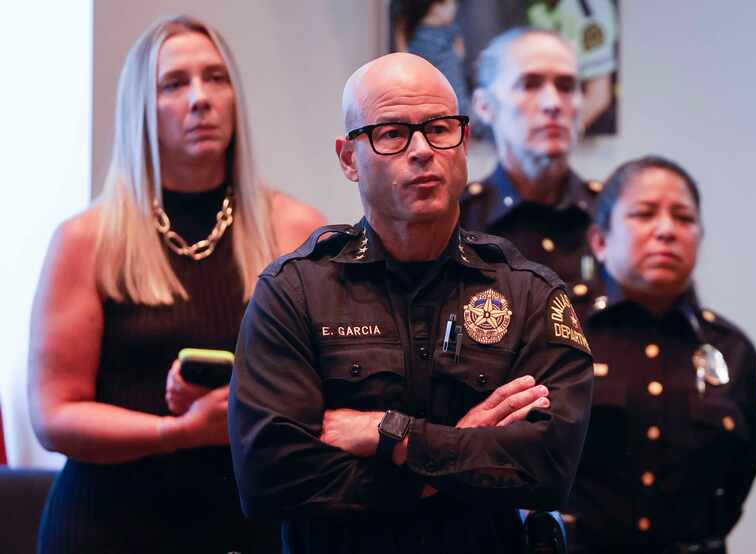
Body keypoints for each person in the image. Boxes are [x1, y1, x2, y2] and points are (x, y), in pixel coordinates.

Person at [228, 52, 594, 554]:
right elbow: (269, 478)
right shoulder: (294, 291)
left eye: (440, 128)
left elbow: (547, 467)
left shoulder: (528, 292)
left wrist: (392, 435)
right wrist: (457, 449)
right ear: (348, 158)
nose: (422, 150)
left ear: (463, 142)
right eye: (392, 133)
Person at [28, 15, 324, 553]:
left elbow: (334, 390)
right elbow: (54, 416)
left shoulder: (295, 229)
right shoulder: (87, 240)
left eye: (216, 78)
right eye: (174, 83)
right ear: (140, 107)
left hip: (249, 523)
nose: (200, 98)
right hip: (108, 525)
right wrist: (179, 433)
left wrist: (244, 405)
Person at [563, 156, 756, 553]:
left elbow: (741, 475)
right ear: (600, 242)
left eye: (684, 218)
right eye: (643, 213)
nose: (666, 230)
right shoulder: (561, 332)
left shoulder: (731, 348)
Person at [460, 27, 603, 303]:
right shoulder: (457, 221)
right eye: (529, 84)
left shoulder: (613, 219)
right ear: (485, 106)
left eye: (566, 86)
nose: (552, 104)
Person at [527, 0, 619, 136]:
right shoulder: (537, 8)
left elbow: (598, 97)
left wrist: (551, 138)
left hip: (594, 131)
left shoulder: (588, 8)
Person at [392, 0, 470, 116]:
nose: (453, 6)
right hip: (420, 60)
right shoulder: (421, 34)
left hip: (449, 97)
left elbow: (460, 53)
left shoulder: (449, 29)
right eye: (444, 4)